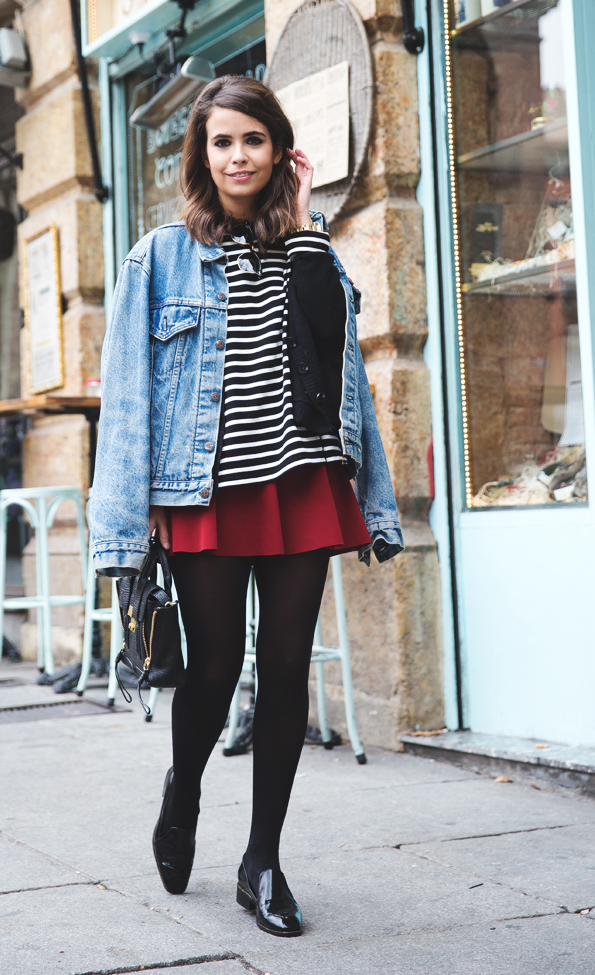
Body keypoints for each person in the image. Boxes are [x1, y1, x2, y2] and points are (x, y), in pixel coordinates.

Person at [89, 76, 403, 938]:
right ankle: (184, 784)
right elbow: (128, 398)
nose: (238, 156)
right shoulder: (159, 255)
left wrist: (304, 224)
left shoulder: (310, 248)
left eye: (254, 141)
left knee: (287, 668)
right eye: (222, 142)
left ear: (279, 152)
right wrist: (123, 522)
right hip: (206, 490)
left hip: (301, 479)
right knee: (215, 664)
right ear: (203, 154)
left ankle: (262, 859)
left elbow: (338, 355)